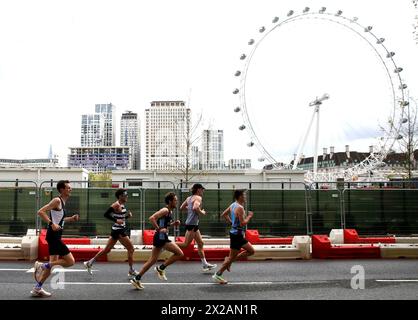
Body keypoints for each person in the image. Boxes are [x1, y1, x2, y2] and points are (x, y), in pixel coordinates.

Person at [32, 180, 79, 297]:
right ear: (62, 189)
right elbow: (40, 211)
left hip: (55, 235)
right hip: (53, 236)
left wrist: (71, 218)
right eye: (68, 187)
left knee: (52, 264)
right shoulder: (57, 200)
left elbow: (60, 220)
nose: (70, 189)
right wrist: (51, 223)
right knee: (70, 261)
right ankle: (42, 266)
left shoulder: (62, 202)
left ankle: (37, 288)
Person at [130, 192, 184, 290]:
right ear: (170, 201)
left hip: (160, 236)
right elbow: (152, 218)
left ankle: (136, 279)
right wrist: (159, 229)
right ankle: (161, 268)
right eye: (175, 200)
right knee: (180, 254)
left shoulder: (169, 212)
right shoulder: (165, 210)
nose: (177, 202)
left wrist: (173, 224)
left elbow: (164, 224)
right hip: (161, 237)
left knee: (152, 260)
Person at [84, 189, 137, 277]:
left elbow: (120, 218)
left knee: (107, 250)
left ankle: (89, 262)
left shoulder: (122, 204)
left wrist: (127, 216)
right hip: (119, 230)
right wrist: (115, 220)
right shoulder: (116, 204)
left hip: (117, 229)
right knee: (131, 249)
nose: (127, 196)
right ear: (120, 196)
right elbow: (106, 214)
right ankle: (131, 270)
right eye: (125, 194)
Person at [212, 189, 255, 284]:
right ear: (239, 196)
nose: (245, 197)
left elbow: (224, 214)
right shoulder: (240, 208)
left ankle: (228, 262)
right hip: (237, 235)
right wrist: (249, 216)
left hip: (235, 233)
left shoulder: (233, 205)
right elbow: (243, 223)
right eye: (244, 195)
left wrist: (232, 223)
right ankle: (218, 274)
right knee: (250, 251)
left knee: (237, 255)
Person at [177, 183, 216, 272]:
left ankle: (205, 264)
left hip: (193, 224)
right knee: (185, 244)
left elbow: (181, 207)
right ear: (198, 190)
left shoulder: (189, 198)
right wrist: (202, 212)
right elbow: (195, 207)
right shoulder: (198, 198)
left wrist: (190, 208)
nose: (203, 191)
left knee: (200, 243)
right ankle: (166, 245)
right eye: (202, 189)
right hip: (192, 224)